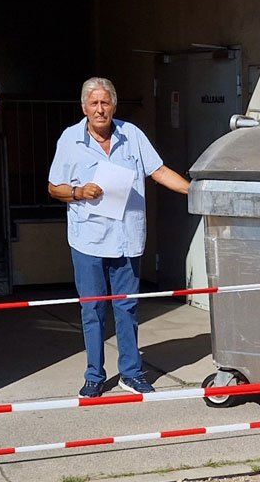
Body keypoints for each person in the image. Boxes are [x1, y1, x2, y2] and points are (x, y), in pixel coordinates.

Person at [48, 77, 190, 397]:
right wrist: (79, 192)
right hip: (89, 239)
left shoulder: (132, 135)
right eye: (94, 103)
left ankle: (131, 372)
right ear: (84, 107)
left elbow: (159, 171)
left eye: (105, 103)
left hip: (127, 237)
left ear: (114, 105)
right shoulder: (71, 140)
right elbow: (53, 187)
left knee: (126, 308)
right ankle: (95, 375)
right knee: (93, 310)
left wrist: (193, 191)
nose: (100, 109)